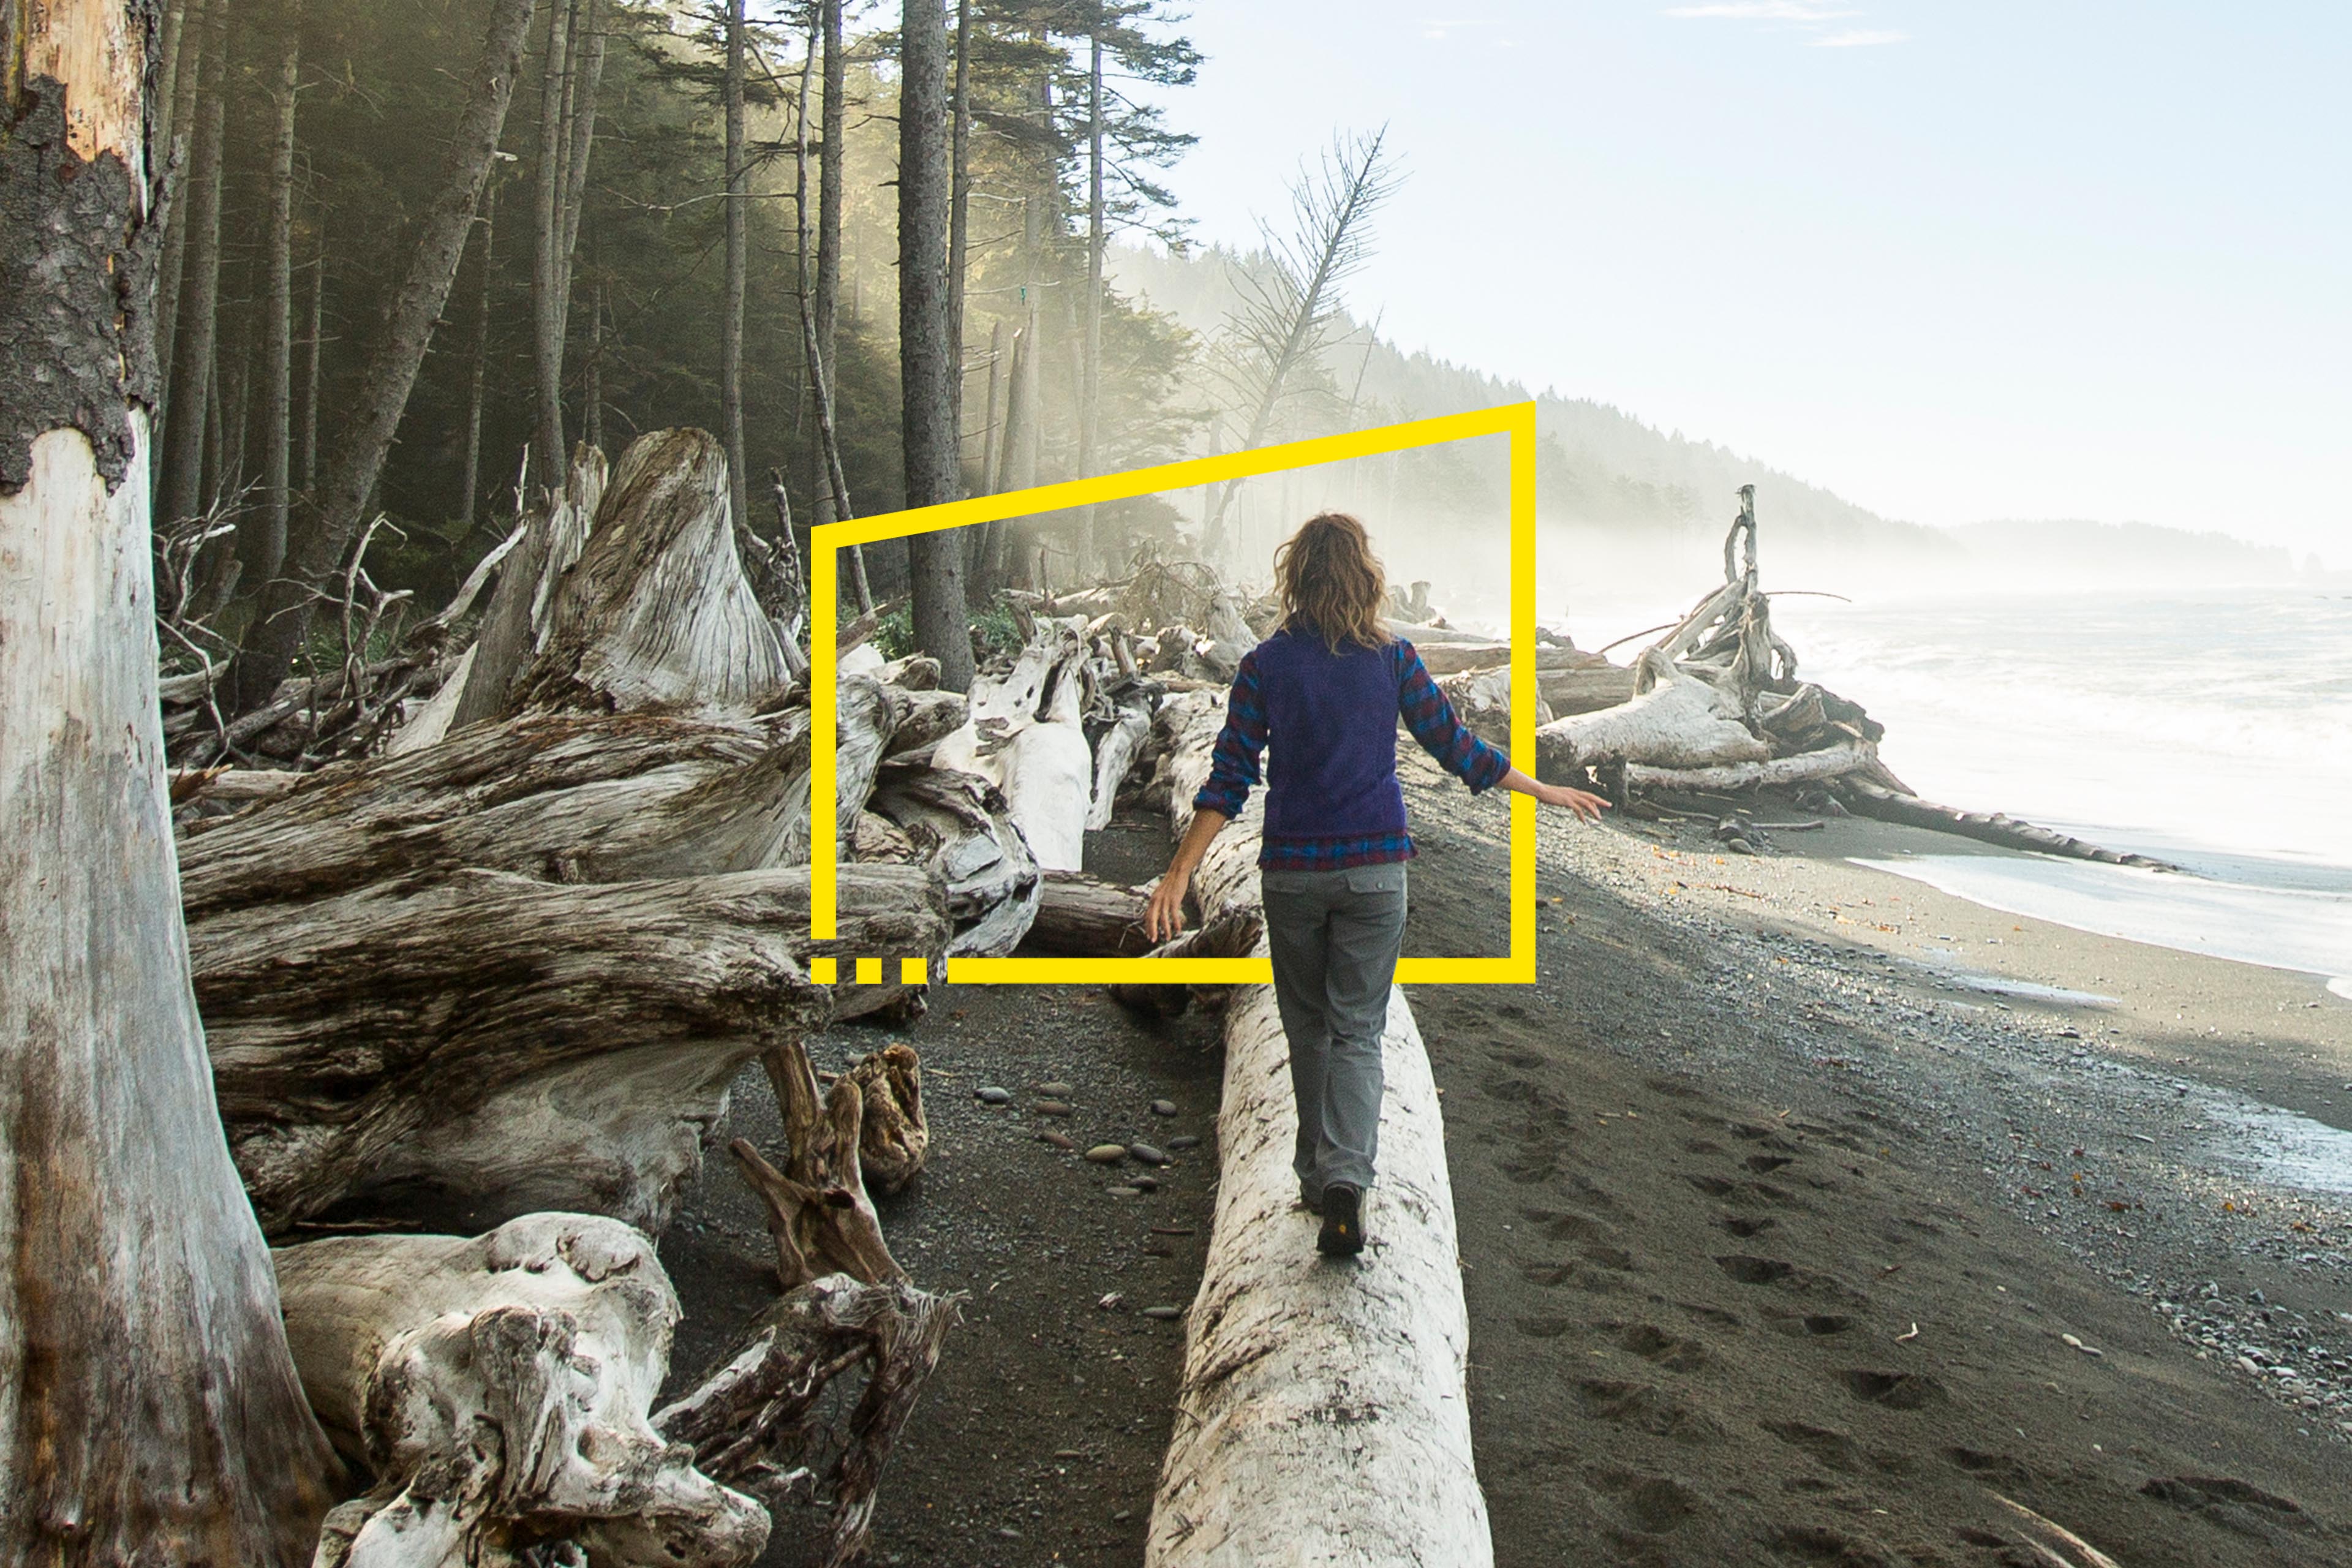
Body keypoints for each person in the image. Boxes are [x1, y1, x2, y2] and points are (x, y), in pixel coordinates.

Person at [1144, 513, 1608, 1259]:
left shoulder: (1265, 665)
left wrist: (1179, 874)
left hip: (1294, 873)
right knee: (1358, 1028)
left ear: (1294, 577)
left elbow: (1229, 778)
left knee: (1308, 1029)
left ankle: (1313, 1176)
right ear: (1365, 577)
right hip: (1374, 874)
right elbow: (1457, 747)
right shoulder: (1393, 660)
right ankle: (1347, 1182)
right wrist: (1541, 789)